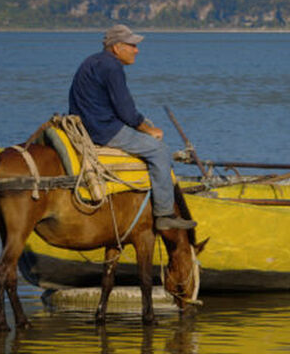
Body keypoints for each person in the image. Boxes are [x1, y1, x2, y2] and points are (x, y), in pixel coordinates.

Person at [69, 24, 196, 230]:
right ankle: (164, 214)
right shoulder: (112, 67)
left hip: (87, 125)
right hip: (104, 129)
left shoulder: (91, 61)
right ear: (117, 47)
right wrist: (147, 129)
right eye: (132, 45)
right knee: (159, 150)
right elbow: (126, 111)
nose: (136, 50)